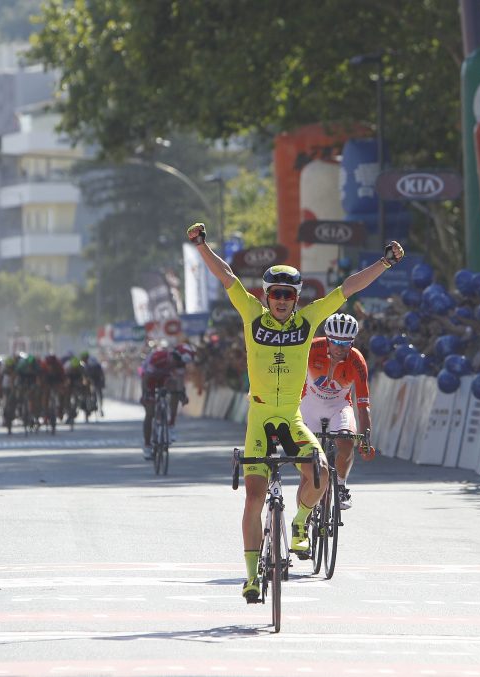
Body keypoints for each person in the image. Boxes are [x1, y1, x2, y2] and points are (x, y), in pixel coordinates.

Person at [185, 221, 403, 602]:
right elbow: (227, 276)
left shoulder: (308, 320)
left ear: (297, 297)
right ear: (266, 295)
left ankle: (301, 523)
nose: (282, 300)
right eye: (276, 294)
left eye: (289, 295)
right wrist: (202, 246)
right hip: (259, 420)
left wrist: (384, 263)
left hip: (291, 419)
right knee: (254, 498)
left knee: (322, 474)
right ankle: (251, 578)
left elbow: (348, 288)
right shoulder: (252, 314)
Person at [299, 313, 372, 510]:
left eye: (346, 343)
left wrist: (366, 439)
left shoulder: (357, 360)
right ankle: (302, 522)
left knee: (346, 442)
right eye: (336, 342)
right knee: (307, 471)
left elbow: (363, 404)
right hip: (310, 404)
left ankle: (340, 485)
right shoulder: (311, 348)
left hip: (339, 406)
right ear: (327, 339)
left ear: (352, 342)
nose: (340, 348)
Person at [139, 343, 193, 458]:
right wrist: (145, 394)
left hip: (164, 378)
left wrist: (182, 394)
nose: (178, 365)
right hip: (150, 378)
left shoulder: (179, 363)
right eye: (177, 362)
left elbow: (180, 381)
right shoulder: (159, 357)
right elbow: (146, 378)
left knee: (175, 389)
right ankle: (147, 445)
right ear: (173, 356)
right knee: (150, 413)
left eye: (181, 364)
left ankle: (171, 424)